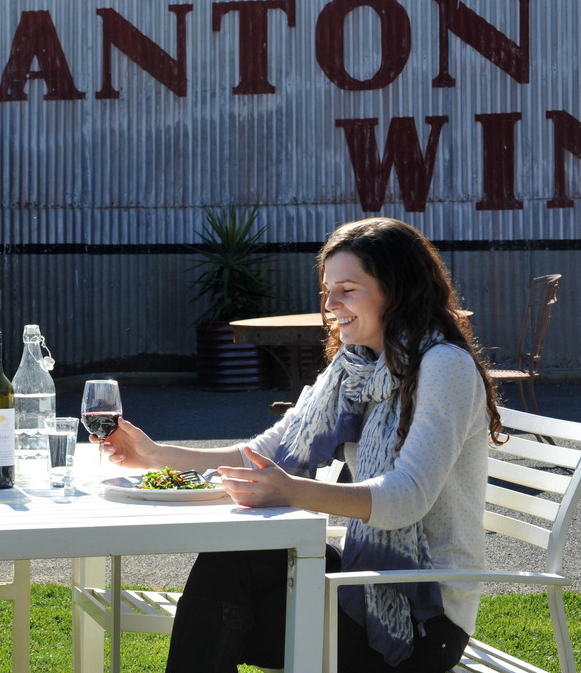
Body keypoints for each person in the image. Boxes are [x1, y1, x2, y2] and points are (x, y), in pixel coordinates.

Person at [102, 217, 501, 673]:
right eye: (327, 290)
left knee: (221, 617)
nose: (330, 305)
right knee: (231, 564)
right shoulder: (356, 368)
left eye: (347, 289)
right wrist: (155, 454)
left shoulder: (443, 367)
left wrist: (291, 491)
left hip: (422, 616)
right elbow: (265, 452)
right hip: (365, 580)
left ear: (397, 289)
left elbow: (406, 497)